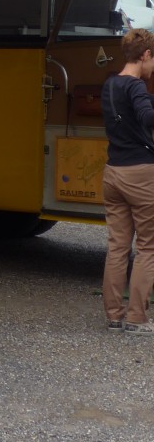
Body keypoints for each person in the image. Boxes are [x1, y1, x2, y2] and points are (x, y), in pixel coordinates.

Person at [101, 27, 154, 334]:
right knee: (148, 246)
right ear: (145, 55)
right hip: (141, 174)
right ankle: (137, 318)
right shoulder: (136, 86)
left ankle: (114, 315)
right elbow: (146, 117)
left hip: (113, 173)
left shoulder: (110, 84)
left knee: (118, 246)